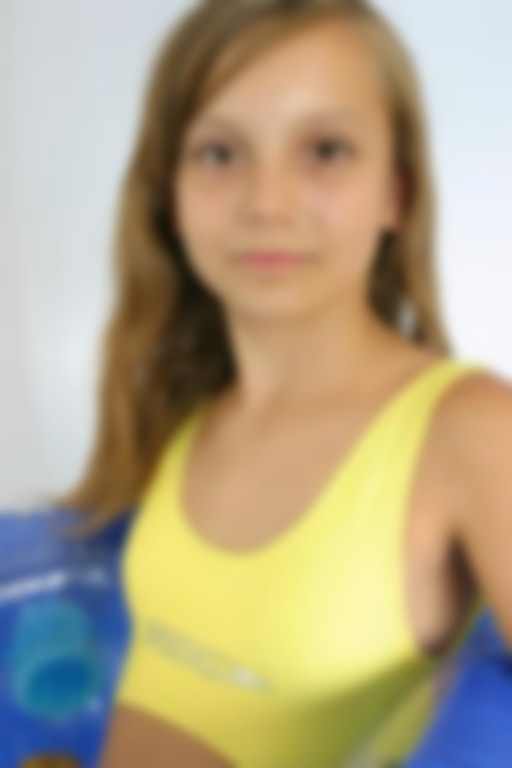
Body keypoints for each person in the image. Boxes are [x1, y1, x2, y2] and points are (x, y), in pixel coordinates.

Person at [42, 0, 512, 766]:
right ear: (170, 197)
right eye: (219, 153)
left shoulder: (472, 431)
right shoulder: (182, 412)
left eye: (325, 149)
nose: (267, 203)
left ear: (395, 193)